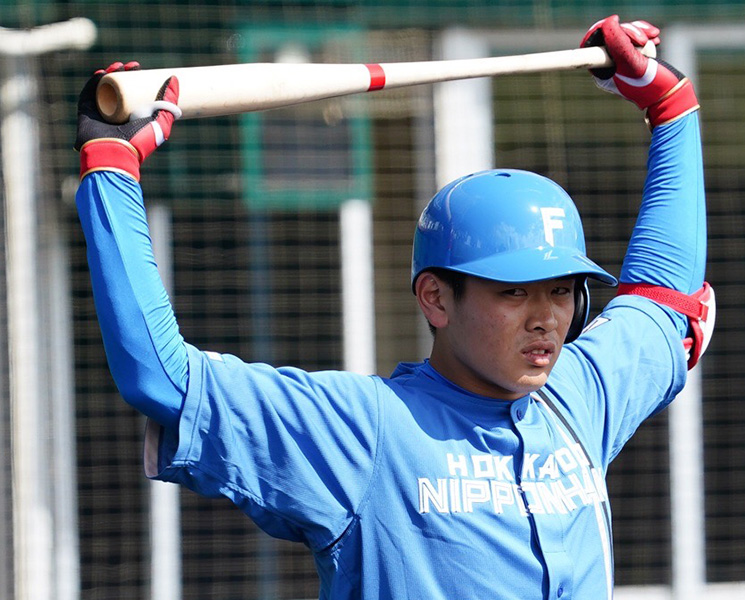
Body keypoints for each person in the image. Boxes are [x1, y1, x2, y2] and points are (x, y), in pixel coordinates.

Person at [74, 15, 712, 600]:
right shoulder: (365, 431)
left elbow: (663, 299)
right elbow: (162, 379)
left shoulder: (579, 399)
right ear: (436, 297)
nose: (546, 316)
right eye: (513, 292)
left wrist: (668, 107)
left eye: (561, 290)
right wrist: (111, 170)